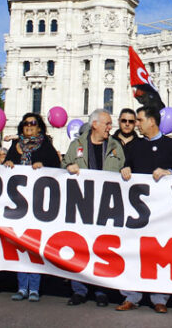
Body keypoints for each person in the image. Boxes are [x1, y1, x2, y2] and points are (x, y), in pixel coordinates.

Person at [118, 106, 172, 313]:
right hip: (138, 211)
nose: (136, 124)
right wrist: (126, 169)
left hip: (162, 212)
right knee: (135, 253)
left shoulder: (170, 145)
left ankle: (160, 298)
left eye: (139, 120)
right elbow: (127, 166)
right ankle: (132, 295)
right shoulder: (136, 146)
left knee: (160, 254)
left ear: (152, 121)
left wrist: (169, 171)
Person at [62, 108, 124, 307]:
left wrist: (126, 170)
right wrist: (67, 168)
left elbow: (124, 165)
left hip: (107, 205)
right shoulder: (77, 145)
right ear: (95, 124)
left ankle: (101, 290)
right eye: (107, 123)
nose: (110, 127)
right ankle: (79, 290)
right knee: (79, 247)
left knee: (102, 248)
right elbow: (63, 166)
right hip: (81, 204)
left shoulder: (115, 145)